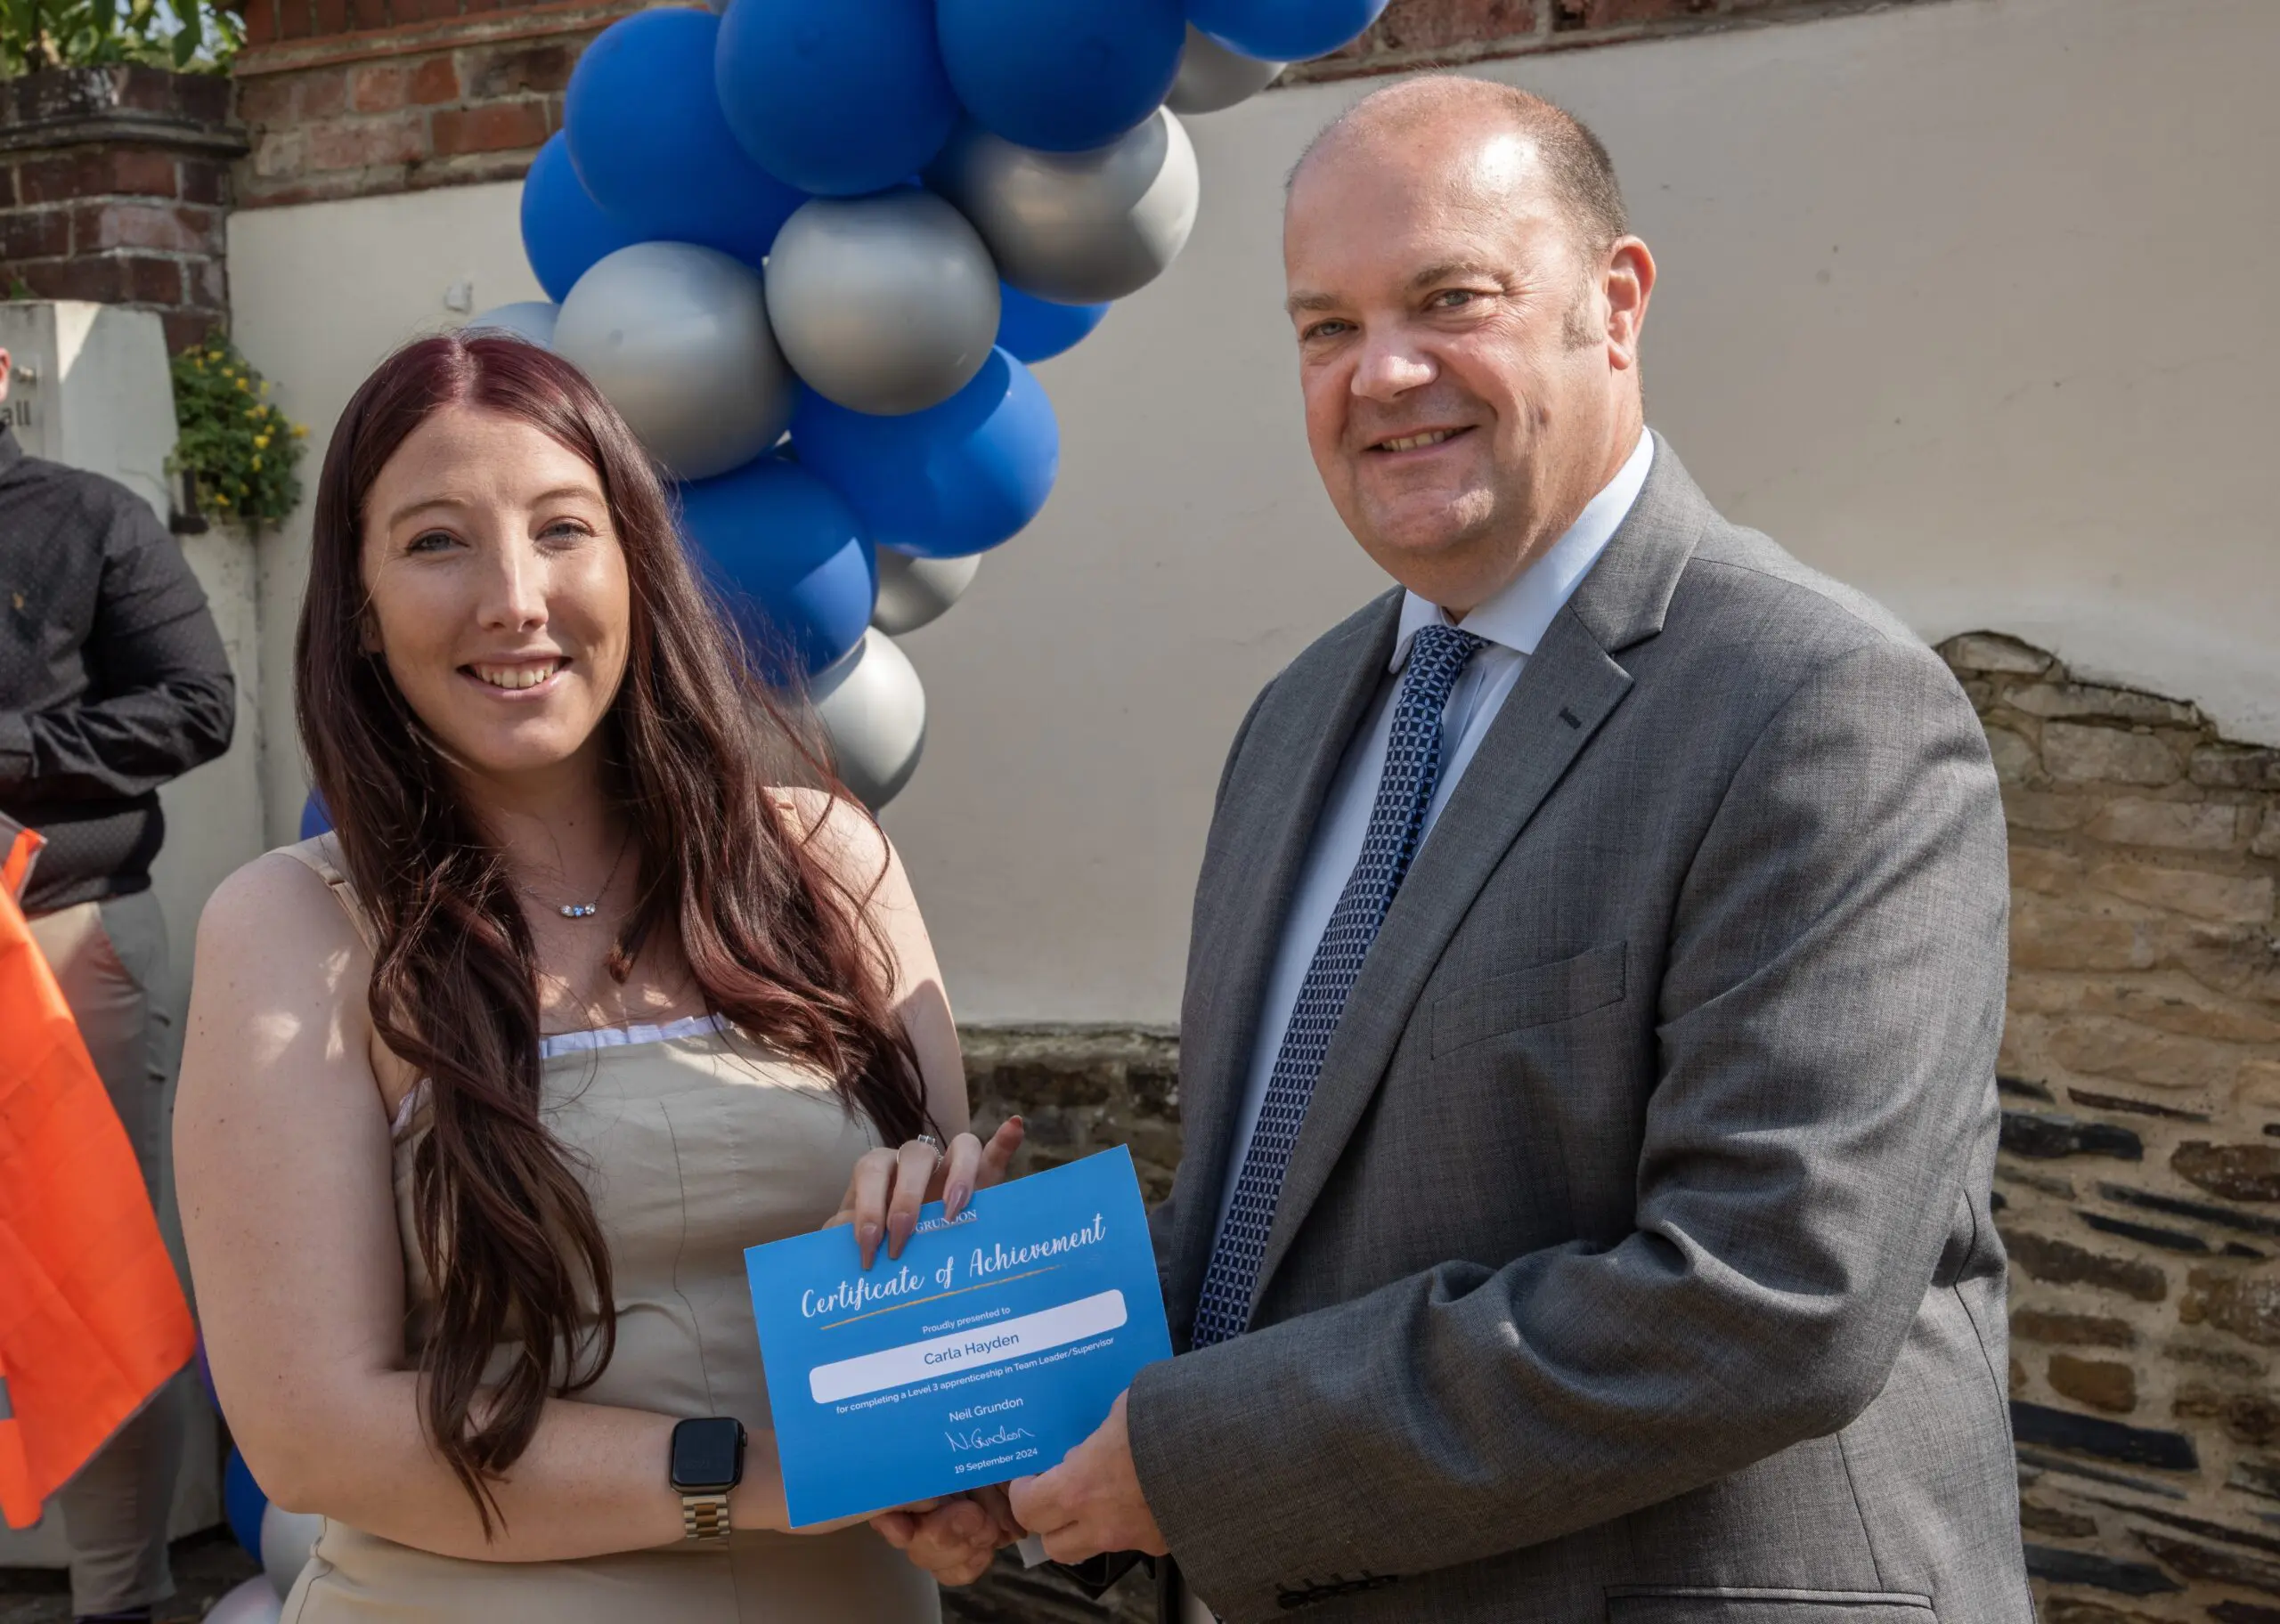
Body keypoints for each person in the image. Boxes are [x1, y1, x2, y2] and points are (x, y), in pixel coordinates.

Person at [889, 76, 2032, 1622]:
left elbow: (1768, 1297)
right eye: (1325, 326)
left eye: (1450, 298)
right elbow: (1266, 1239)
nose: (1386, 372)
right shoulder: (1299, 721)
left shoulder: (1820, 708)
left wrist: (1193, 1462)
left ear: (1614, 304)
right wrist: (968, 1402)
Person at [175, 332, 1012, 1622]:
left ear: (637, 561)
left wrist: (967, 1387)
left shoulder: (828, 861)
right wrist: (760, 1481)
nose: (515, 598)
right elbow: (314, 1433)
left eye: (562, 529)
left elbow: (948, 1336)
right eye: (436, 541)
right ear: (357, 601)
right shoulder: (296, 925)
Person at [0, 342, 234, 1624]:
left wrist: (12, 749)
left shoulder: (93, 518)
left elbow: (200, 707)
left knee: (95, 1273)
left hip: (64, 943)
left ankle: (120, 1604)